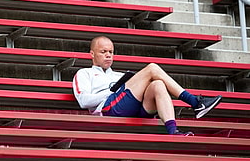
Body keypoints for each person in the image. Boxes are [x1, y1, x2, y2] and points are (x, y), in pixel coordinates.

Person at [73, 36, 222, 135]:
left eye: (111, 52)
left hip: (132, 108)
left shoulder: (118, 76)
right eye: (103, 51)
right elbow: (83, 101)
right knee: (152, 68)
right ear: (92, 54)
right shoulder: (84, 73)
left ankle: (173, 132)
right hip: (108, 110)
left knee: (157, 84)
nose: (108, 55)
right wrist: (112, 93)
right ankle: (195, 102)